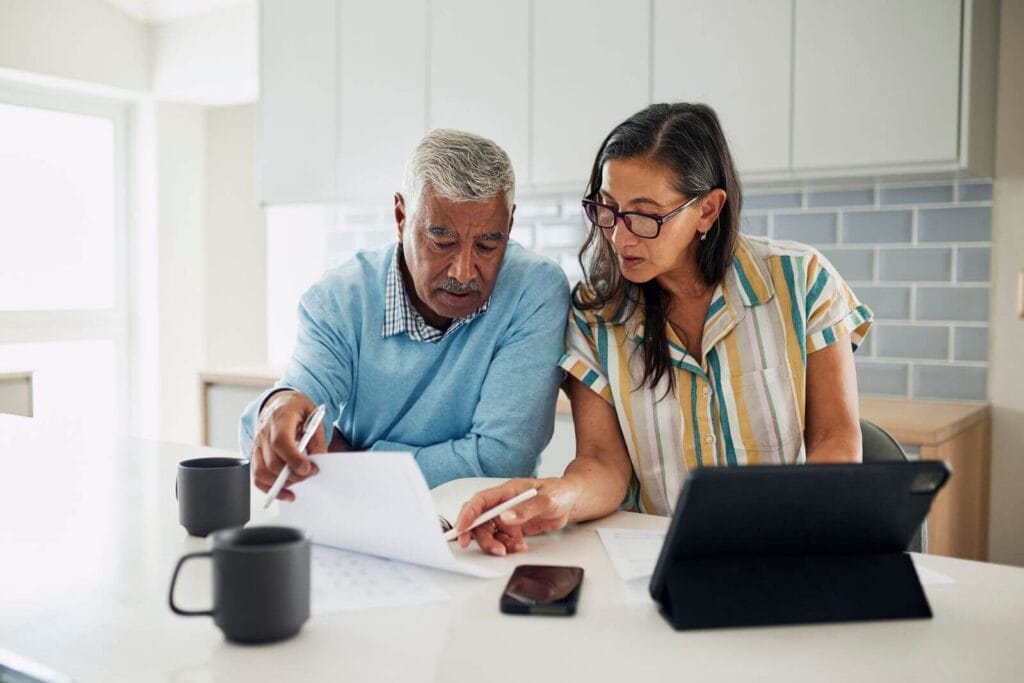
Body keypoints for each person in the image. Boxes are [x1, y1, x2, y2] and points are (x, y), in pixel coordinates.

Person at [454, 103, 874, 556]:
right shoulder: (595, 315)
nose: (619, 237)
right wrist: (557, 497)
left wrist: (806, 527)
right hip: (654, 557)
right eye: (608, 209)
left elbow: (835, 438)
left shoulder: (802, 282)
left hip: (782, 549)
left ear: (708, 211)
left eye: (644, 215)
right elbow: (603, 463)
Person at [240, 129, 570, 501]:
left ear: (509, 225)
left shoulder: (534, 290)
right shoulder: (338, 300)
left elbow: (499, 461)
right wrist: (279, 406)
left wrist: (354, 461)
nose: (464, 272)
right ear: (400, 216)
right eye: (441, 241)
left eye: (488, 245)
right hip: (358, 517)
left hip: (486, 523)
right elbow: (297, 410)